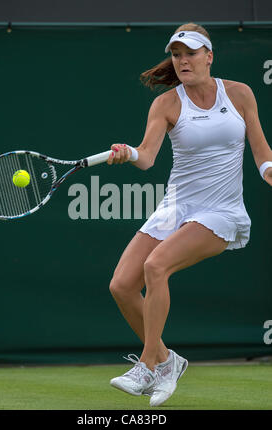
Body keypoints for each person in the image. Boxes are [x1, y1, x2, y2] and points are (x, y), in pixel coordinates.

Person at [106, 22, 272, 407]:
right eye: (177, 54)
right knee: (121, 285)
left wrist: (269, 173)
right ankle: (167, 360)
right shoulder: (166, 103)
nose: (182, 60)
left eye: (191, 53)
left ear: (209, 56)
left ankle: (148, 365)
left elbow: (262, 153)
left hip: (222, 210)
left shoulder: (240, 94)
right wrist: (128, 153)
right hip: (176, 207)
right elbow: (146, 157)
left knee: (156, 267)